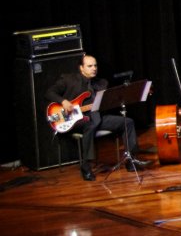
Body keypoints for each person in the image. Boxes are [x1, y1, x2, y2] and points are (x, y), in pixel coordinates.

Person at [44, 53, 146, 181]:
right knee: (91, 123)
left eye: (95, 66)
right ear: (81, 68)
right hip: (73, 120)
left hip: (96, 118)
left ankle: (131, 160)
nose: (94, 68)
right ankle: (86, 166)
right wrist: (63, 101)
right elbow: (49, 93)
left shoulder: (102, 83)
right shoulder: (68, 79)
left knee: (128, 122)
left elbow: (104, 104)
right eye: (90, 66)